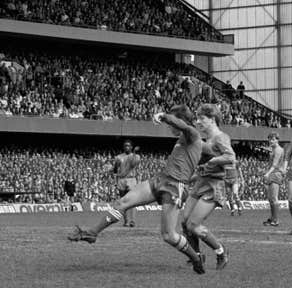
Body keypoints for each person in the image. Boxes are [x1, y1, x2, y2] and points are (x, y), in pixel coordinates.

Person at [68, 105, 205, 273]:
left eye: (172, 124)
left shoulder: (193, 134)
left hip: (175, 187)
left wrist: (164, 116)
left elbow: (183, 126)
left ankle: (196, 257)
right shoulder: (184, 138)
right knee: (122, 202)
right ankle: (92, 233)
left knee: (169, 235)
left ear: (180, 121)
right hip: (161, 179)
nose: (170, 128)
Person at [181, 104, 234, 272]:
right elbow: (203, 169)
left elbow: (230, 157)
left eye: (201, 118)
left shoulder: (220, 137)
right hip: (200, 184)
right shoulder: (206, 141)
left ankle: (221, 251)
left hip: (213, 186)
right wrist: (187, 179)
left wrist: (212, 161)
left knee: (193, 225)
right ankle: (196, 255)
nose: (198, 122)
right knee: (184, 222)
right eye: (197, 118)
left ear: (212, 119)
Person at [112, 140, 141, 227]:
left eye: (128, 146)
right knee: (123, 201)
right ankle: (126, 221)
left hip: (131, 179)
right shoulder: (118, 157)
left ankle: (132, 221)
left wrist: (139, 181)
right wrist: (115, 181)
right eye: (125, 146)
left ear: (131, 147)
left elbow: (136, 167)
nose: (126, 147)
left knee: (133, 201)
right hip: (121, 180)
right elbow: (115, 170)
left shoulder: (136, 157)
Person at [262, 132, 285, 226]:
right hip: (273, 173)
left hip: (276, 174)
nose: (271, 141)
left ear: (277, 140)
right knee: (271, 198)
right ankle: (272, 218)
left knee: (274, 198)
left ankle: (275, 220)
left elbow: (275, 164)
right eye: (270, 139)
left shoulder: (278, 150)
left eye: (273, 139)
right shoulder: (273, 149)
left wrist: (267, 173)